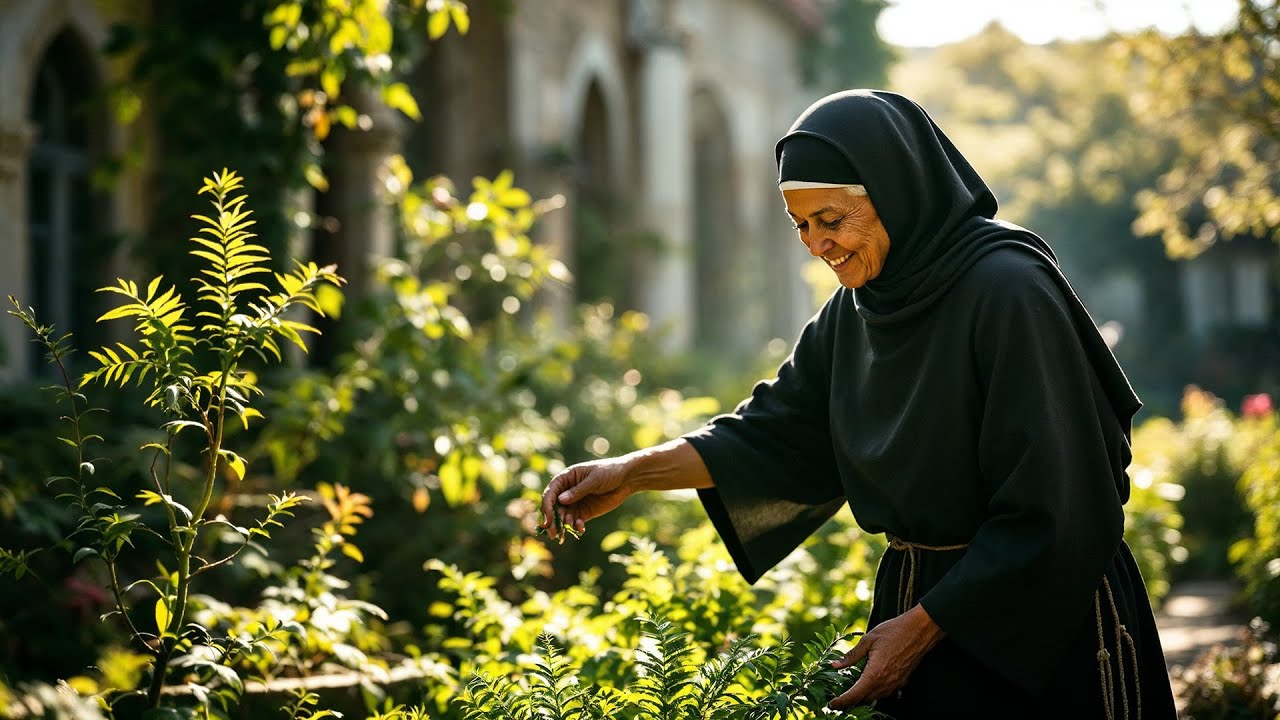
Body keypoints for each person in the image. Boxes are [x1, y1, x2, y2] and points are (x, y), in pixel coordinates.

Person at [537, 89, 1177, 719]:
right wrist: (632, 472)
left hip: (1042, 620)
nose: (817, 245)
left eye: (833, 220)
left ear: (894, 192)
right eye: (802, 227)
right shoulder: (858, 309)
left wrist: (923, 628)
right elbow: (775, 433)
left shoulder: (1006, 291)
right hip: (920, 609)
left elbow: (1061, 507)